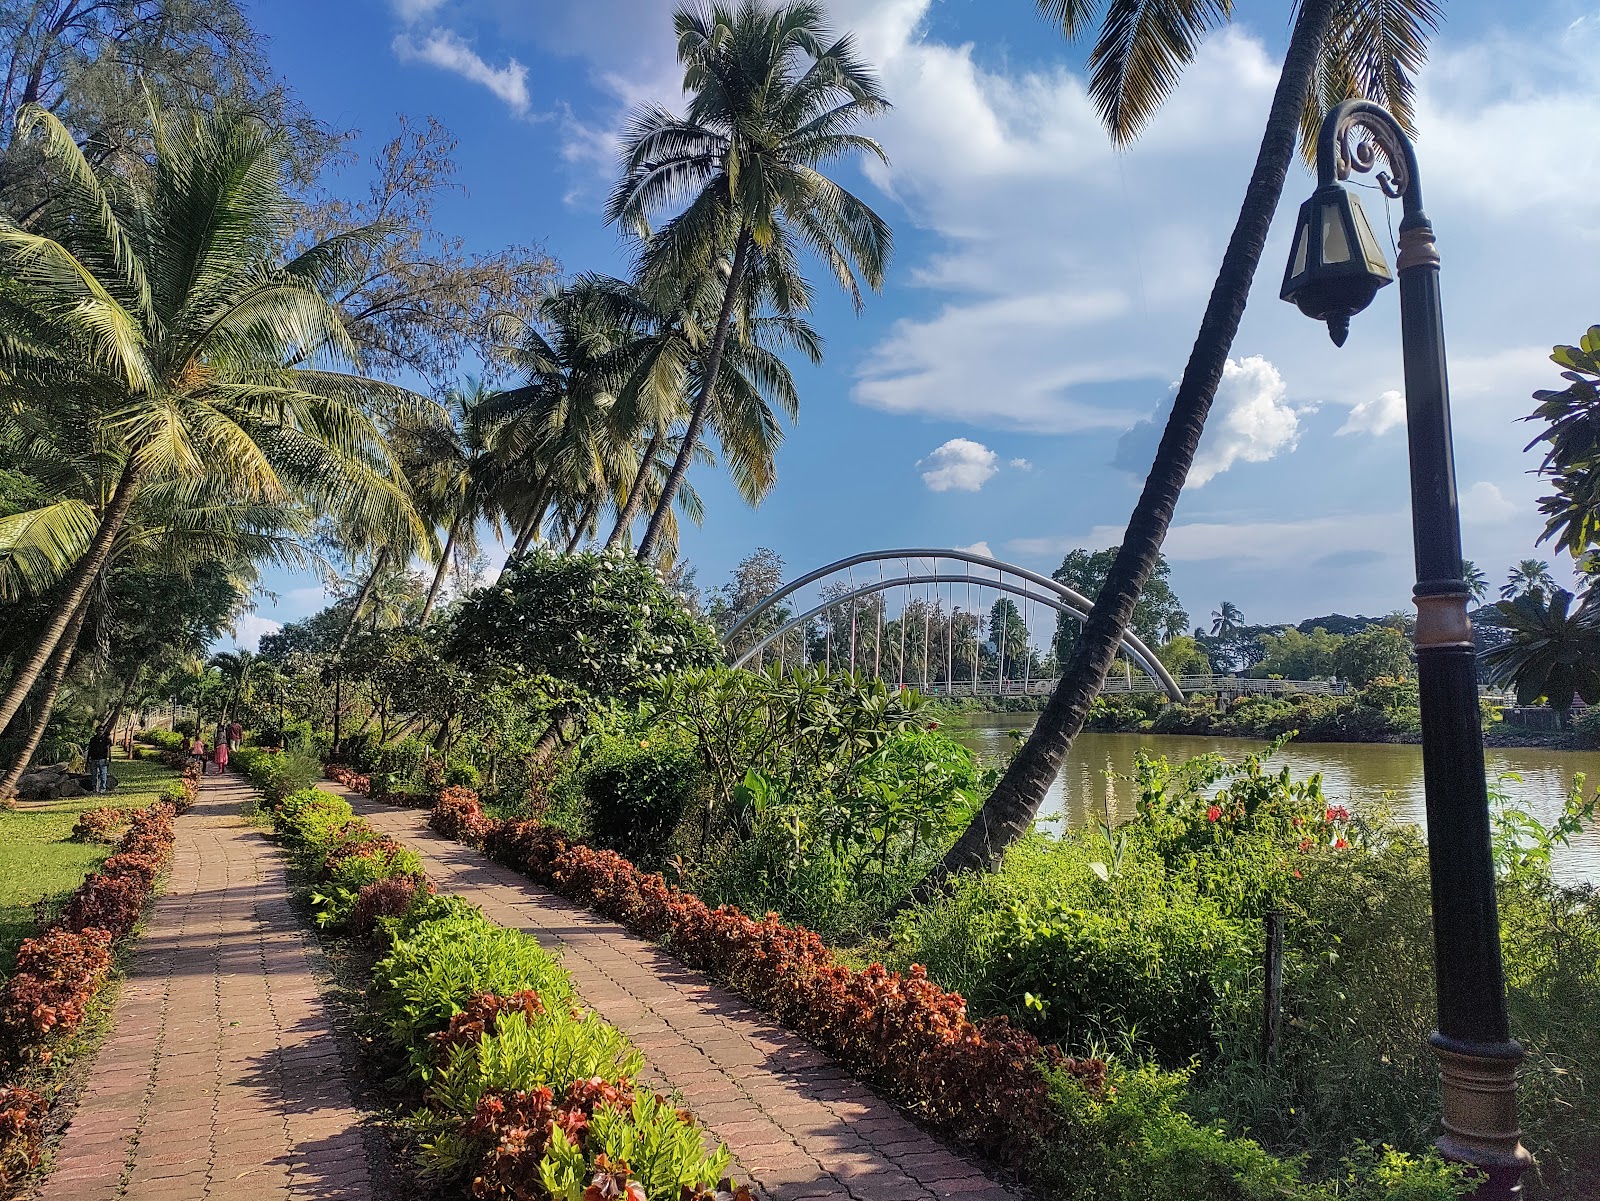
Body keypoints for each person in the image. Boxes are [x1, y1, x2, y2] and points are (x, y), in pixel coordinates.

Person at [86, 727, 112, 794]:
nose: (100, 732)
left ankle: (102, 788)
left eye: (101, 730)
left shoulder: (106, 739)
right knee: (94, 774)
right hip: (94, 759)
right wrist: (89, 758)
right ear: (96, 731)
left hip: (102, 759)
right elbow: (90, 749)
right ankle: (94, 787)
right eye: (99, 730)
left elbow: (108, 749)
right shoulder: (93, 739)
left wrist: (108, 758)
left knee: (103, 774)